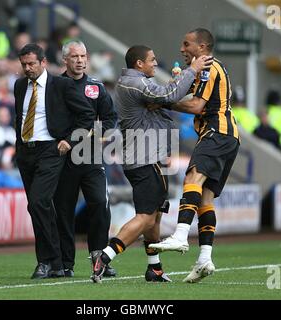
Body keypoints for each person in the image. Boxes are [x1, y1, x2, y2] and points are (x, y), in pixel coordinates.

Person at [90, 44, 212, 283]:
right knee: (146, 217)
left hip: (143, 159)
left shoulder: (132, 84)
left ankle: (154, 268)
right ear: (139, 64)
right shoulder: (136, 83)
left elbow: (163, 96)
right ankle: (104, 257)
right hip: (145, 160)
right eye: (152, 60)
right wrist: (192, 70)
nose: (156, 63)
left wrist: (171, 88)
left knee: (154, 216)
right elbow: (169, 96)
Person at [150, 28, 240, 284]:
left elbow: (197, 106)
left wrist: (164, 102)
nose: (182, 48)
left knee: (192, 177)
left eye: (186, 43)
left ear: (202, 47)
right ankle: (204, 258)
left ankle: (180, 235)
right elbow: (191, 97)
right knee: (205, 199)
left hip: (217, 132)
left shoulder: (210, 68)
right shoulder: (205, 70)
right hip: (227, 136)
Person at [14, 43, 93, 279]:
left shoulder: (61, 85)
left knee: (38, 202)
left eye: (31, 64)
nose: (27, 68)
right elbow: (19, 116)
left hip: (50, 150)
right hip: (25, 151)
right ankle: (56, 263)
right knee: (37, 206)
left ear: (43, 62)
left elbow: (87, 115)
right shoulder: (19, 86)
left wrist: (69, 140)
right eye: (24, 65)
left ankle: (46, 261)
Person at [53, 40, 118, 278]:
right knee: (63, 210)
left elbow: (110, 118)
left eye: (83, 56)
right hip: (63, 158)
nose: (80, 61)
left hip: (90, 157)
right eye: (74, 57)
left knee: (100, 203)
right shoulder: (55, 86)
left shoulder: (96, 87)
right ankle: (64, 263)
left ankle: (100, 259)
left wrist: (103, 134)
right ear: (65, 60)